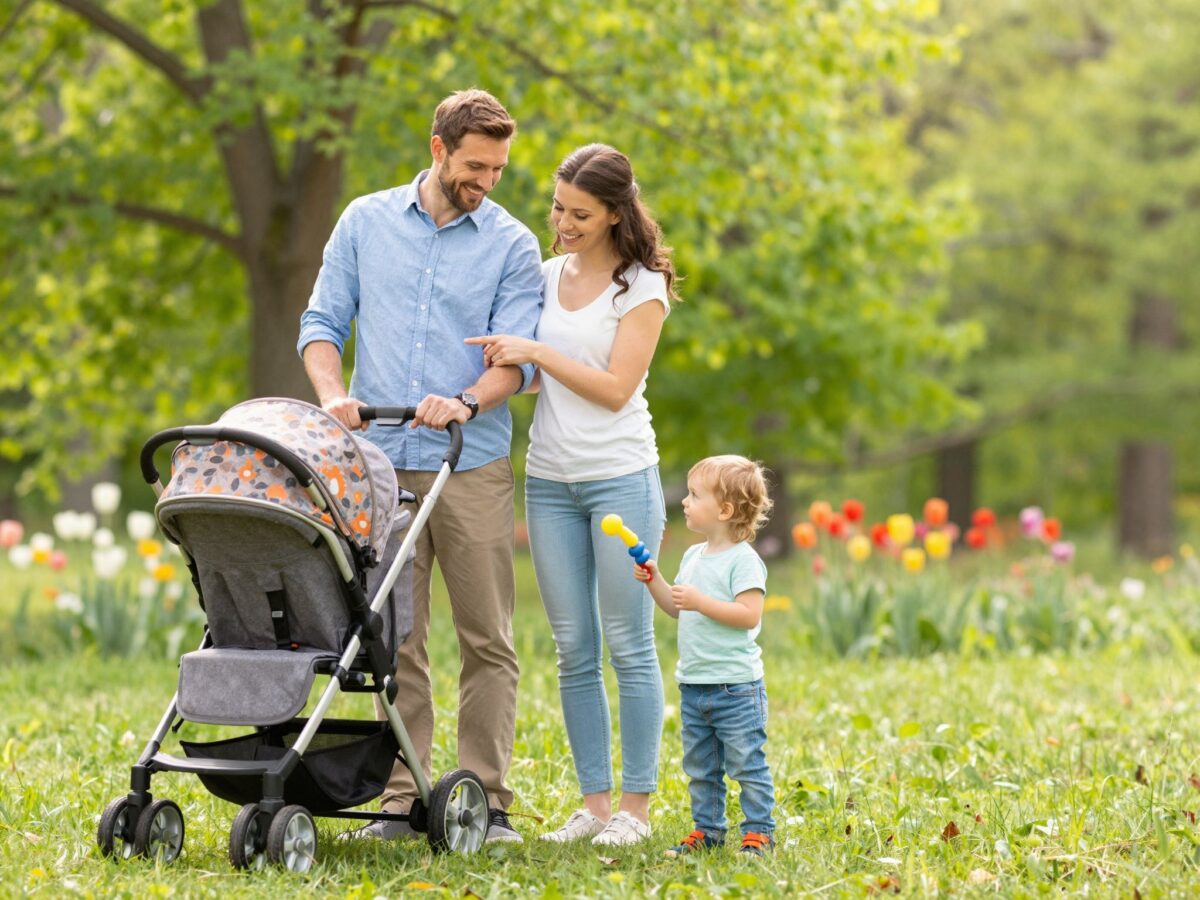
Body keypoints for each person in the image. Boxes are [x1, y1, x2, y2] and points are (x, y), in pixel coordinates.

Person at [297, 89, 543, 844]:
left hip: (469, 467)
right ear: (437, 149)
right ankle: (405, 799)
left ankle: (485, 802)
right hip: (379, 467)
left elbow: (520, 361)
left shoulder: (512, 244)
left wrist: (467, 399)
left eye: (498, 168)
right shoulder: (365, 223)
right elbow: (321, 323)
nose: (487, 181)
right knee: (395, 638)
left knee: (487, 639)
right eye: (475, 165)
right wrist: (334, 396)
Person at [466, 144, 678, 847]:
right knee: (572, 646)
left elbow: (617, 389)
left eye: (580, 213)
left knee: (627, 641)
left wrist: (538, 353)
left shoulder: (642, 286)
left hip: (621, 479)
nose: (562, 222)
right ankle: (593, 803)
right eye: (558, 207)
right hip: (551, 483)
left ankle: (636, 811)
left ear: (616, 213)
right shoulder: (547, 275)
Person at [632, 455, 778, 858]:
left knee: (747, 764)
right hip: (695, 685)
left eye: (695, 495)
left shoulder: (744, 560)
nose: (685, 501)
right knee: (701, 768)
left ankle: (760, 832)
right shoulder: (693, 556)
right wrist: (655, 580)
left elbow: (748, 615)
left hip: (736, 688)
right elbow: (678, 606)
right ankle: (708, 830)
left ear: (725, 510)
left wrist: (701, 601)